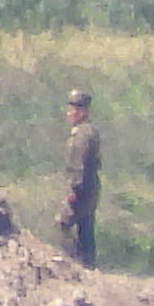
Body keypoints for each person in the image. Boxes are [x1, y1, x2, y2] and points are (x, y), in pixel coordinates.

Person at [56, 89, 101, 267]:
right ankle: (87, 263)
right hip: (88, 187)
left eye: (75, 108)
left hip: (83, 188)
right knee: (85, 227)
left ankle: (74, 261)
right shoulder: (85, 131)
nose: (70, 112)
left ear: (83, 111)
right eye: (69, 108)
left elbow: (80, 165)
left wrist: (75, 189)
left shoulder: (84, 134)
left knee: (63, 223)